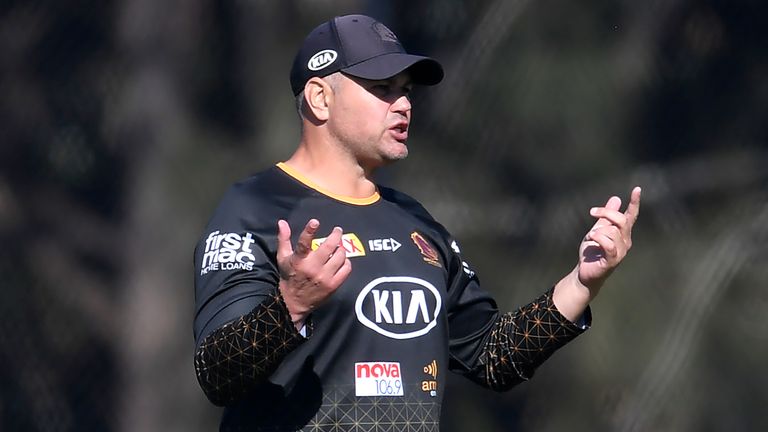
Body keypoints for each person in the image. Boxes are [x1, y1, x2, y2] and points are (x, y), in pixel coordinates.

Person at [193, 14, 641, 431]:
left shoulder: (414, 221)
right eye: (383, 87)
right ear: (319, 97)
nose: (404, 103)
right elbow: (217, 374)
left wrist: (583, 282)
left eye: (406, 89)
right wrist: (289, 306)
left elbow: (493, 356)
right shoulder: (255, 208)